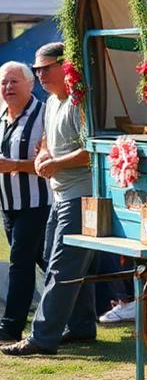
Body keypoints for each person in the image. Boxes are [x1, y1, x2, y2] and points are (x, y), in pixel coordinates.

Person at [2, 43, 98, 356]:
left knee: (61, 266)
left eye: (45, 68)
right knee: (60, 261)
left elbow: (91, 152)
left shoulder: (81, 102)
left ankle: (42, 338)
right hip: (60, 194)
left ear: (64, 66)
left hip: (80, 195)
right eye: (37, 69)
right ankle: (82, 326)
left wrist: (54, 163)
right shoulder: (53, 103)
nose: (39, 74)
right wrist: (44, 154)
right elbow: (46, 142)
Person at [0, 62, 51, 343]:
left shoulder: (44, 115)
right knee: (43, 261)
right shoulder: (1, 117)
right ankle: (81, 315)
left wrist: (14, 165)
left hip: (38, 202)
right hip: (8, 204)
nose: (8, 87)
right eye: (4, 83)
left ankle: (10, 327)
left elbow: (49, 162)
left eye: (14, 82)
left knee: (20, 262)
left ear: (30, 85)